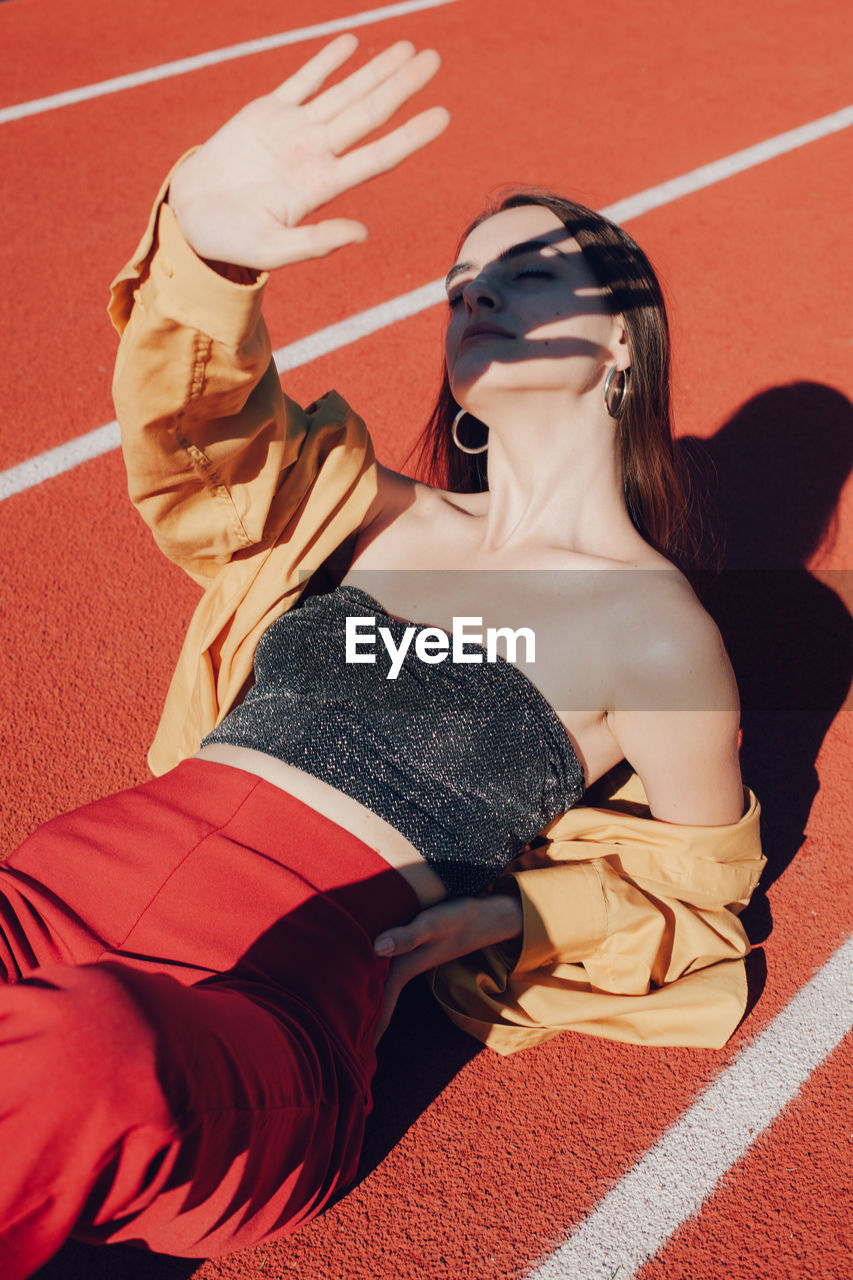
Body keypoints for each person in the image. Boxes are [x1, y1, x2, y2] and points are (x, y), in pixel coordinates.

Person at [0, 35, 760, 1279]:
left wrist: (526, 909)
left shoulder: (655, 625)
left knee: (83, 1053)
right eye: (461, 280)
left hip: (268, 1009)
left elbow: (702, 894)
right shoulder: (361, 506)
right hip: (58, 889)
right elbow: (202, 434)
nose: (473, 292)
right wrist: (208, 247)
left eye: (524, 272)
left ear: (625, 338)